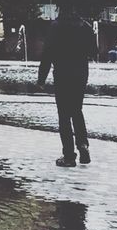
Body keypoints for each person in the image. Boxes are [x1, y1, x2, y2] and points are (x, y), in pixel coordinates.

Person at [38, 9, 95, 167]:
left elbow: (47, 53)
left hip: (62, 74)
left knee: (64, 115)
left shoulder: (55, 27)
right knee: (77, 110)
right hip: (81, 73)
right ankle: (83, 145)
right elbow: (94, 51)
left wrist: (41, 78)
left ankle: (69, 155)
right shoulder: (85, 26)